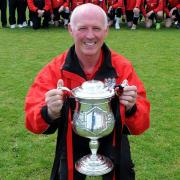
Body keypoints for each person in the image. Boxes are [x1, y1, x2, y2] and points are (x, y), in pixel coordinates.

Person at [25, 3, 150, 180]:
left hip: (112, 137)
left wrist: (132, 107)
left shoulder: (122, 67)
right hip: (71, 137)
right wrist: (49, 111)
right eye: (82, 28)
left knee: (125, 172)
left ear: (106, 30)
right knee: (64, 175)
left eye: (96, 28)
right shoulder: (56, 69)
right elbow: (31, 119)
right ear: (70, 29)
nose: (90, 35)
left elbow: (143, 123)